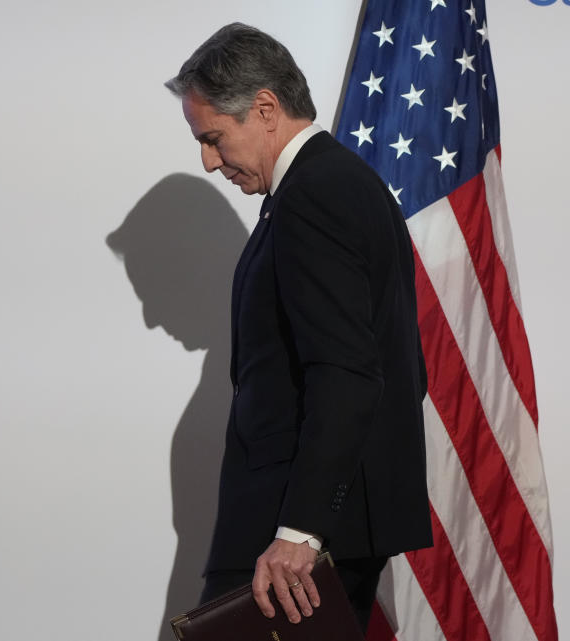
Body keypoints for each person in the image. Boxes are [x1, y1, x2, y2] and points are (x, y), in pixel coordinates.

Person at [165, 23, 433, 632]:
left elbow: (349, 373)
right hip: (309, 526)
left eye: (213, 138)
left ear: (264, 109)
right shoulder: (333, 184)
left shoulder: (315, 193)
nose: (209, 161)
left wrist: (300, 531)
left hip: (288, 538)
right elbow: (395, 367)